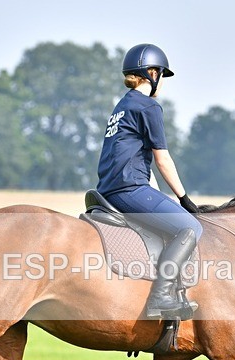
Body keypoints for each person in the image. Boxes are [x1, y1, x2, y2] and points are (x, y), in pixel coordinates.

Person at [96, 43, 202, 319]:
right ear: (152, 73)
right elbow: (162, 159)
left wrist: (160, 196)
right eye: (162, 76)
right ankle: (161, 297)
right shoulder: (148, 106)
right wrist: (184, 199)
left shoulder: (122, 105)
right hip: (129, 188)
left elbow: (136, 157)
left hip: (110, 188)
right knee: (190, 228)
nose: (162, 83)